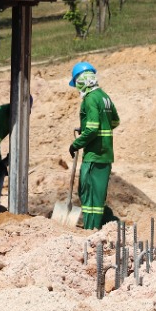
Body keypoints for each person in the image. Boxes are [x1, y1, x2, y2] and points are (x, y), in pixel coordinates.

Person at [68, 61, 120, 230]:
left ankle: (91, 229)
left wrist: (76, 144)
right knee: (96, 195)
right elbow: (114, 121)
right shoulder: (104, 96)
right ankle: (101, 225)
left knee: (89, 195)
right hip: (105, 154)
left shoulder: (90, 99)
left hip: (94, 155)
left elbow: (92, 129)